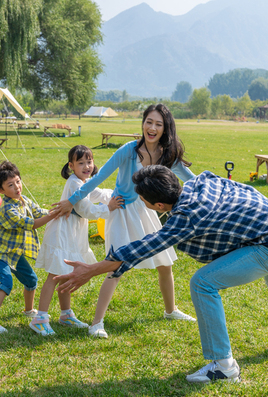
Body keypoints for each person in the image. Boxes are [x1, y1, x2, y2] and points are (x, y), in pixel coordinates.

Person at [56, 165, 268, 384]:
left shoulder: (186, 218)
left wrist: (90, 270)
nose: (143, 204)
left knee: (202, 283)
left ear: (159, 205)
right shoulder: (201, 180)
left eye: (144, 201)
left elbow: (142, 248)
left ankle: (224, 366)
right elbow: (249, 191)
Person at [51, 104, 197, 339]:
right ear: (142, 123)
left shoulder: (167, 154)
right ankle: (96, 323)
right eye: (149, 121)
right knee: (115, 265)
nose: (152, 128)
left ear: (165, 128)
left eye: (158, 124)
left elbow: (194, 180)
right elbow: (96, 179)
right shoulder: (128, 150)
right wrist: (71, 201)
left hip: (146, 210)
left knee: (165, 263)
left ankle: (171, 310)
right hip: (121, 209)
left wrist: (218, 193)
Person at [31, 145, 123, 336]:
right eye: (81, 163)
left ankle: (65, 315)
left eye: (89, 162)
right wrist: (110, 208)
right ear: (71, 166)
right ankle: (40, 318)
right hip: (63, 232)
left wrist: (115, 194)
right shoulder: (74, 183)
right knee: (54, 275)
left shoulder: (85, 181)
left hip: (74, 232)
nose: (86, 166)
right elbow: (86, 209)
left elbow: (97, 193)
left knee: (67, 272)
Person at [0, 161, 58, 334]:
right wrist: (52, 216)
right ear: (1, 190)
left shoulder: (24, 200)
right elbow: (30, 224)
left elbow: (39, 212)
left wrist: (55, 211)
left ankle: (28, 311)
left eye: (18, 181)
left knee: (31, 280)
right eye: (10, 185)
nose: (17, 187)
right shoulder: (8, 209)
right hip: (1, 252)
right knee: (6, 281)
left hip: (15, 252)